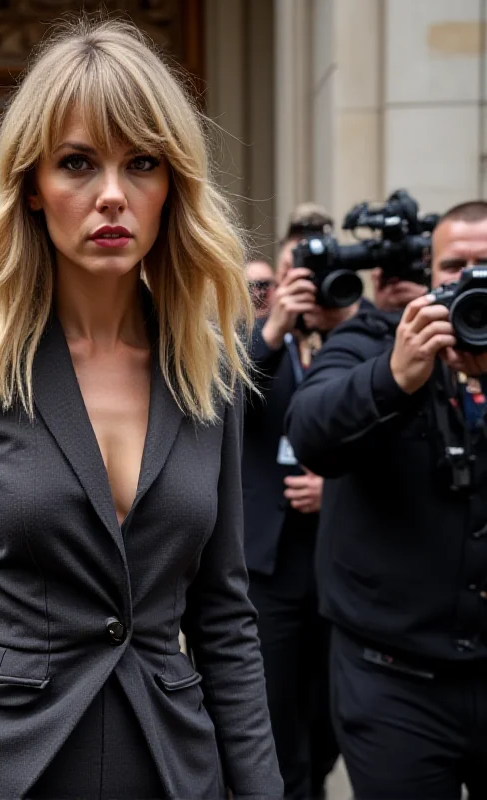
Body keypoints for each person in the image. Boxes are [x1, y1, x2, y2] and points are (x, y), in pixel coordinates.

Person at [0, 18, 282, 800]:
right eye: (77, 164)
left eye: (142, 163)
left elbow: (225, 613)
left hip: (166, 761)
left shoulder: (213, 369)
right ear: (31, 185)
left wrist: (262, 790)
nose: (113, 196)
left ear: (173, 185)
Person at [285, 200, 487, 799]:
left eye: (486, 265)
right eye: (455, 265)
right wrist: (396, 376)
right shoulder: (372, 338)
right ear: (429, 271)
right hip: (394, 680)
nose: (470, 281)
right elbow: (310, 430)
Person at [243, 207, 346, 800]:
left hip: (341, 561)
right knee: (275, 714)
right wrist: (276, 326)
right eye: (293, 268)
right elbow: (224, 402)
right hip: (269, 563)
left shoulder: (354, 340)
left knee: (332, 713)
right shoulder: (249, 342)